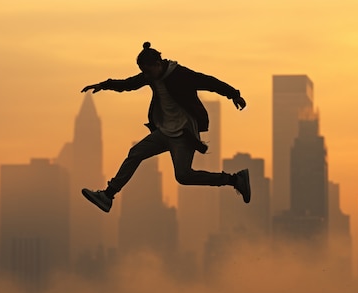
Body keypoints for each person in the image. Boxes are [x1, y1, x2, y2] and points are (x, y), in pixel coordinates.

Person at [80, 42, 251, 213]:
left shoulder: (180, 74)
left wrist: (234, 95)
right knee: (135, 153)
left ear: (158, 64)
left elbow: (209, 82)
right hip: (164, 132)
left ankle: (235, 180)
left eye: (148, 71)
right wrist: (104, 85)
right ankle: (108, 196)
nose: (146, 75)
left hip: (184, 133)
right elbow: (128, 84)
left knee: (183, 176)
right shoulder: (150, 76)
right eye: (143, 72)